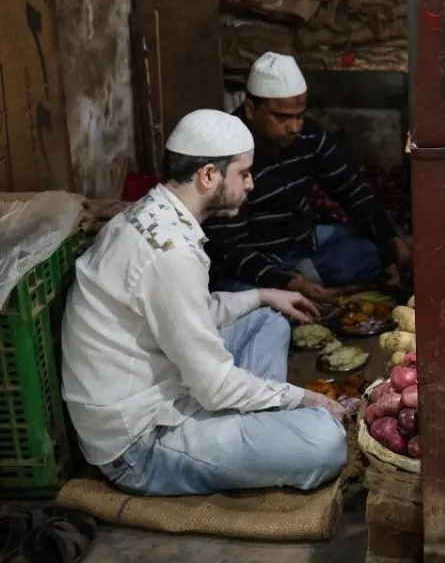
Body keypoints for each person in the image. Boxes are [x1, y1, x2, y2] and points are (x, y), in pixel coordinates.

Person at [61, 109, 349, 496]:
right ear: (209, 175)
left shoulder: (150, 213)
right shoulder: (171, 253)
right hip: (140, 443)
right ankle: (265, 424)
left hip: (173, 384)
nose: (250, 185)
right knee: (325, 440)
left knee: (268, 318)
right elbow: (211, 386)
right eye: (243, 173)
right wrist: (302, 397)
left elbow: (187, 314)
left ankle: (259, 418)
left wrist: (265, 294)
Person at [204, 52, 411, 302]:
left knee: (392, 239)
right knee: (240, 297)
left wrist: (390, 241)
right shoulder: (226, 152)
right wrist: (289, 282)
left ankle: (314, 286)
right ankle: (307, 288)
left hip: (306, 245)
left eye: (299, 115)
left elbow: (352, 190)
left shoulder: (308, 136)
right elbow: (229, 249)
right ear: (250, 108)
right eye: (281, 117)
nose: (295, 127)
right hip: (256, 263)